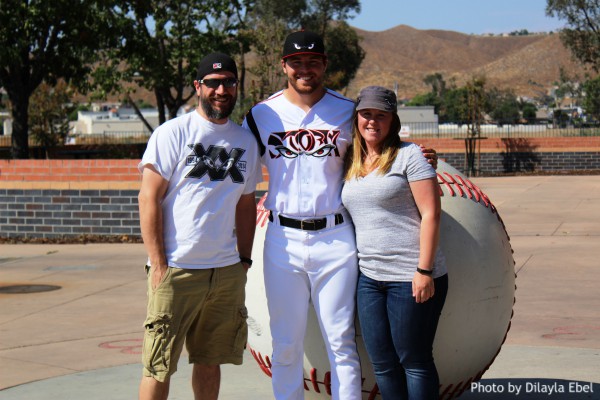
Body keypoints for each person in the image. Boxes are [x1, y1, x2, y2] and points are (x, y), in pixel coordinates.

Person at [242, 31, 438, 400]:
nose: (305, 69)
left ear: (325, 66)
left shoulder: (346, 111)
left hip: (335, 237)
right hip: (282, 239)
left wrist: (422, 156)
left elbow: (384, 144)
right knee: (285, 342)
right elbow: (235, 159)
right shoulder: (260, 115)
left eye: (313, 61)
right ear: (284, 66)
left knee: (341, 342)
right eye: (297, 62)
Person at [137, 52, 262, 400]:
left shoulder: (246, 142)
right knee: (158, 364)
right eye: (213, 83)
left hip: (224, 271)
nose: (222, 90)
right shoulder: (173, 133)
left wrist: (244, 260)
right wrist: (158, 262)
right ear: (198, 87)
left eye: (229, 83)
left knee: (210, 361)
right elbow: (148, 198)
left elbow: (245, 203)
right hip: (177, 269)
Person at [341, 86, 448, 399]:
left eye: (380, 115)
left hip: (410, 276)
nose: (372, 122)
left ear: (392, 121)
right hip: (370, 278)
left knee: (414, 360)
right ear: (357, 118)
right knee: (383, 363)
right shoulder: (351, 159)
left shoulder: (410, 155)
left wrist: (424, 271)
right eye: (366, 114)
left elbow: (431, 214)